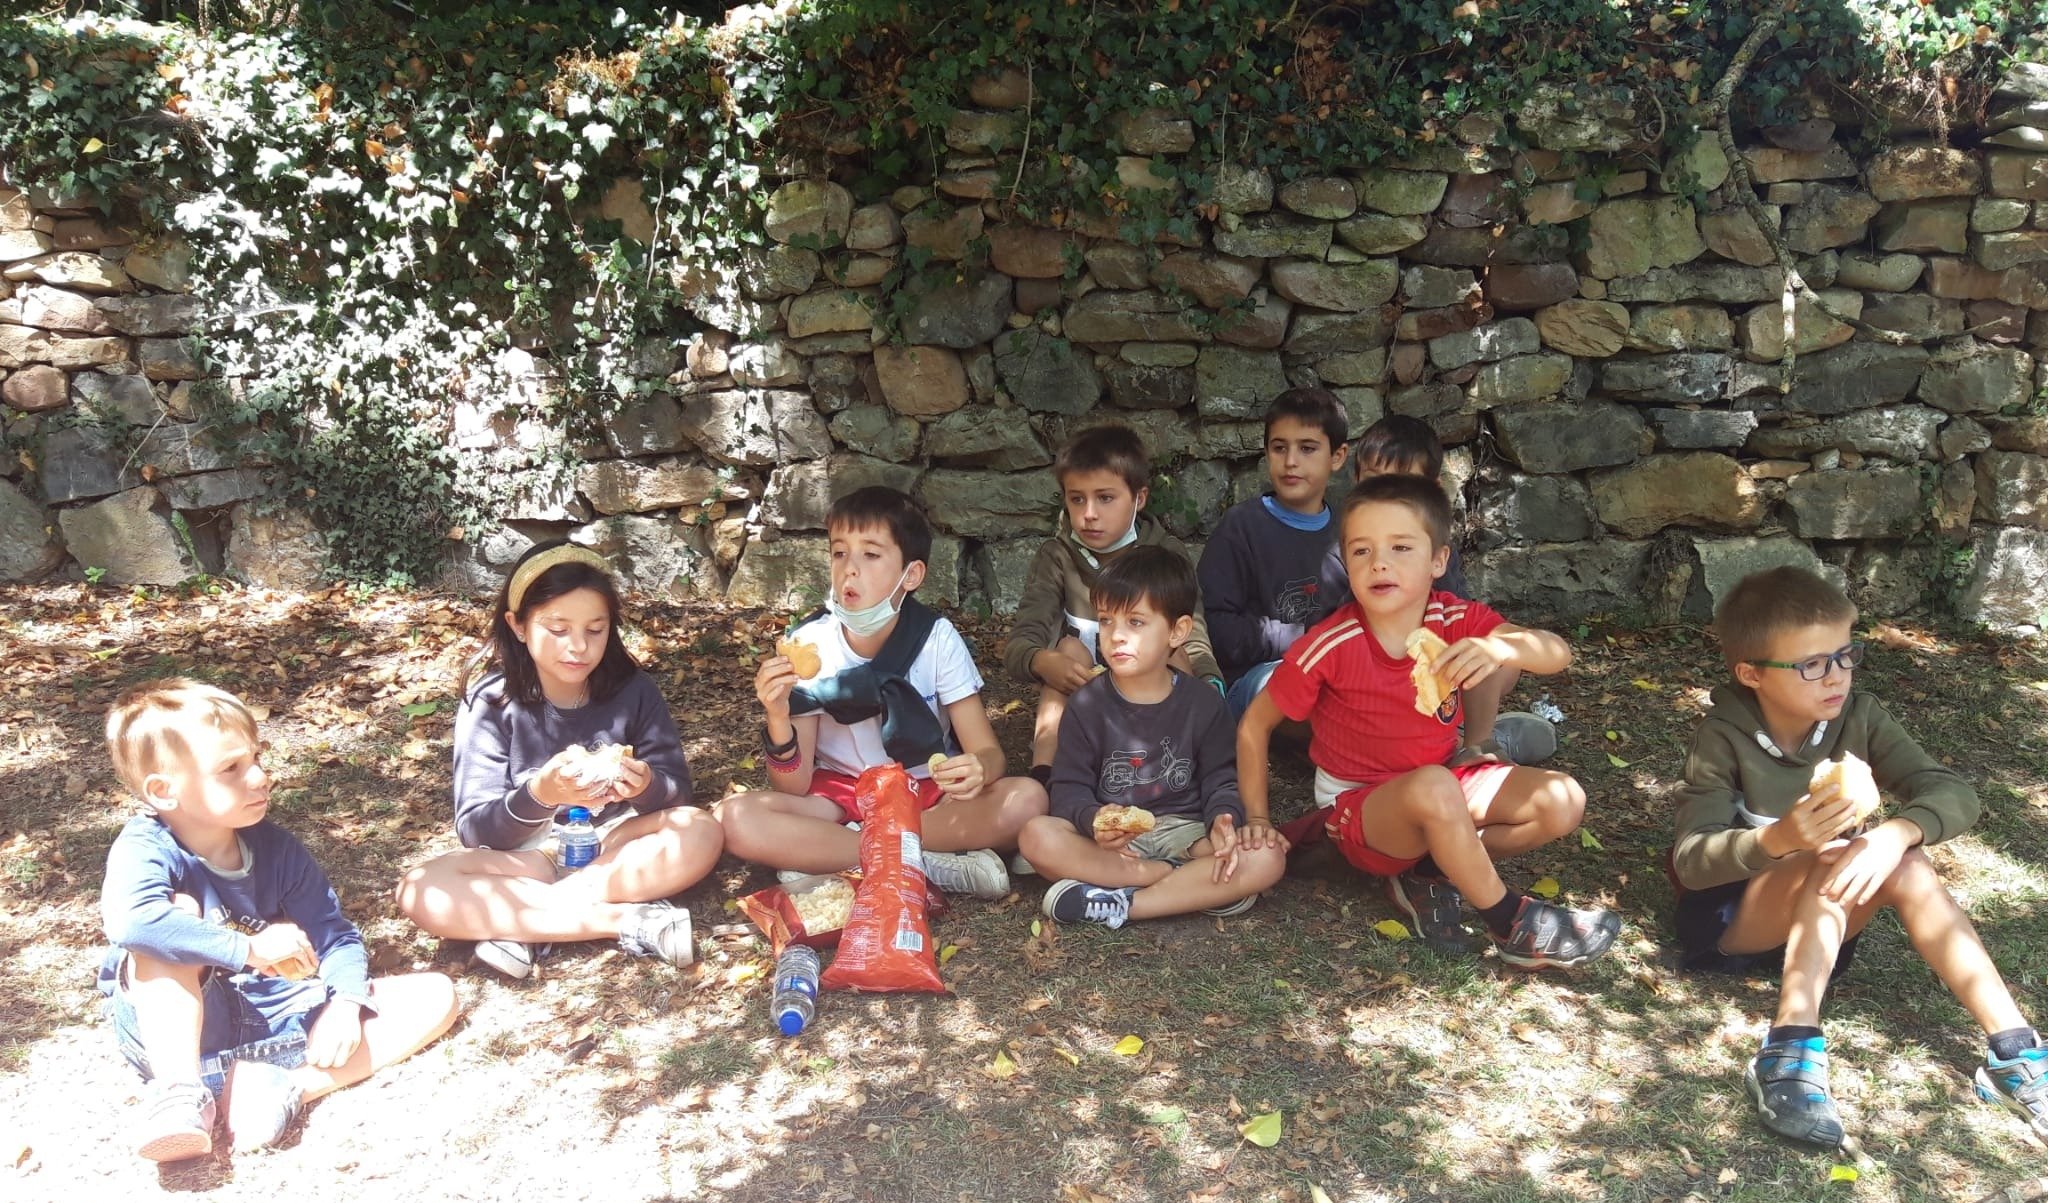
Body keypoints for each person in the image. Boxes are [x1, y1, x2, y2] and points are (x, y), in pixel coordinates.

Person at [1672, 566, 2047, 1146]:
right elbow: (1692, 862)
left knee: (1906, 859)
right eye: (1811, 664)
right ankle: (1787, 1048)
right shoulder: (1722, 735)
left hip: (1825, 930)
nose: (1836, 676)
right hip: (1732, 924)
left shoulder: (1859, 716)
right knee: (1830, 854)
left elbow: (1951, 791)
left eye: (1845, 655)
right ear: (1751, 673)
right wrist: (1780, 839)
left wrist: (1898, 832)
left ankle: (2015, 1053)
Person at [1237, 474, 1620, 968]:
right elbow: (1254, 727)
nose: (1379, 563)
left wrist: (1500, 648)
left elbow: (1557, 652)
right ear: (1346, 564)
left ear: (1438, 560)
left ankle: (1429, 869)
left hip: (1440, 786)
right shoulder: (1330, 645)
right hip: (1359, 810)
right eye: (1361, 550)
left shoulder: (1453, 619)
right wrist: (1258, 821)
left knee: (1563, 800)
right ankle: (1510, 922)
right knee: (1435, 785)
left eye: (1400, 547)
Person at [100, 680, 458, 1160]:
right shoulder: (146, 848)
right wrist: (248, 949)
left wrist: (345, 1005)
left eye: (256, 758)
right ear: (164, 791)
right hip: (174, 1034)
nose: (259, 777)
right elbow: (134, 924)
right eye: (231, 768)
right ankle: (181, 1095)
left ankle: (284, 1087)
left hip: (269, 1015)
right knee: (174, 918)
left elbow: (336, 937)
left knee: (436, 994)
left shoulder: (275, 848)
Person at [395, 541, 721, 980]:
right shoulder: (491, 701)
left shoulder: (634, 690)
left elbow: (678, 796)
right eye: (558, 628)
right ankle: (627, 920)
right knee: (420, 889)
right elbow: (475, 829)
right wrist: (540, 794)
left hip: (614, 848)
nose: (579, 646)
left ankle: (523, 926)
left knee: (700, 829)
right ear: (518, 626)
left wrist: (646, 785)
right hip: (529, 858)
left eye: (595, 629)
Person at [716, 486, 1045, 898]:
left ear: (912, 575)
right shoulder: (809, 644)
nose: (849, 570)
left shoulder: (936, 640)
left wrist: (978, 768)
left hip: (925, 795)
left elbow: (988, 752)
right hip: (840, 798)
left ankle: (839, 857)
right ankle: (923, 861)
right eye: (839, 553)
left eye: (870, 555)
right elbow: (793, 788)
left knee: (1027, 799)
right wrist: (778, 716)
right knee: (734, 818)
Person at [1019, 546, 1285, 928]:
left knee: (1267, 857)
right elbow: (1068, 788)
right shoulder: (1086, 705)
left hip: (1190, 836)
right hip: (1115, 844)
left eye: (1136, 622)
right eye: (1106, 621)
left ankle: (1125, 904)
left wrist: (1222, 819)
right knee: (1036, 836)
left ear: (1177, 631)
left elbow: (1222, 779)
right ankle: (1183, 885)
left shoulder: (1203, 703)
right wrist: (1094, 819)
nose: (1116, 636)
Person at [1003, 423, 1223, 779]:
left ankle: (1189, 768)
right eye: (1077, 499)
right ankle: (1045, 775)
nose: (1089, 513)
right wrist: (1041, 661)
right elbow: (1021, 641)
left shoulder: (1164, 553)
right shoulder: (1057, 556)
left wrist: (1210, 682)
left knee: (1176, 653)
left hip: (1151, 692)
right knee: (1068, 649)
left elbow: (1192, 633)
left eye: (1105, 498)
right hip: (1084, 696)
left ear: (1139, 498)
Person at [1346, 415, 1555, 764]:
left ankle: (1474, 746)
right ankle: (1459, 742)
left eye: (1405, 485)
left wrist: (1486, 648)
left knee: (1500, 661)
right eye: (1375, 482)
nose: (1388, 499)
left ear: (1433, 490)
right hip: (1372, 684)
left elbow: (1459, 618)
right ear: (1356, 483)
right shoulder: (1351, 548)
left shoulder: (1433, 550)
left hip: (1432, 671)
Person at [1197, 387, 1355, 720]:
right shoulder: (1241, 528)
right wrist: (1299, 639)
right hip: (1254, 679)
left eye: (1307, 448)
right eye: (1279, 448)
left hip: (1335, 668)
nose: (1291, 461)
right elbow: (1216, 625)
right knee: (1301, 685)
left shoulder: (1349, 534)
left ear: (1338, 456)